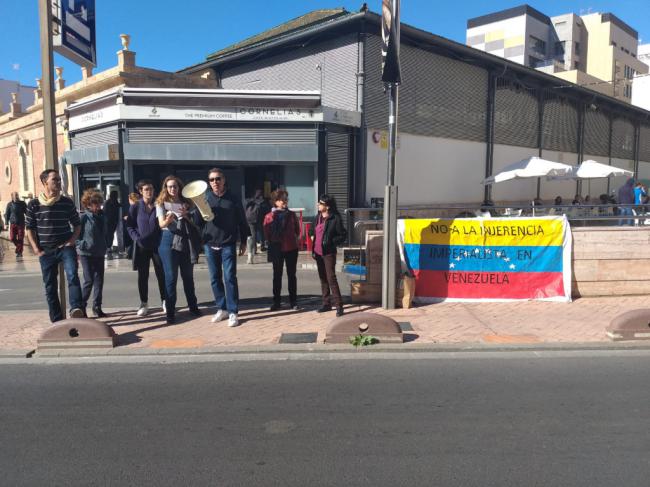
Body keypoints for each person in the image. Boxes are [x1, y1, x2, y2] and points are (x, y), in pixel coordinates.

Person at [25, 169, 84, 322]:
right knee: (50, 286)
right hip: (46, 250)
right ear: (45, 183)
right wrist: (37, 250)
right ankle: (56, 320)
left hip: (65, 247)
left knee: (72, 275)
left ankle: (76, 308)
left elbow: (77, 225)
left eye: (59, 179)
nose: (58, 182)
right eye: (55, 180)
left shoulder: (66, 202)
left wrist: (72, 241)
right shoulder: (34, 205)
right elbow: (29, 229)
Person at [201, 168, 250, 327]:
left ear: (224, 180)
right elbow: (198, 222)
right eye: (212, 180)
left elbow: (242, 220)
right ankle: (221, 308)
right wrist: (191, 213)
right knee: (215, 279)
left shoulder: (233, 198)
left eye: (218, 179)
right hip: (210, 244)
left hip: (228, 243)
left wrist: (243, 241)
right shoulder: (205, 198)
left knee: (229, 278)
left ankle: (233, 311)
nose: (215, 182)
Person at [156, 175, 201, 324]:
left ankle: (193, 307)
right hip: (168, 239)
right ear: (166, 188)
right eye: (170, 187)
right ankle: (170, 312)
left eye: (175, 186)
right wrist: (168, 219)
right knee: (171, 277)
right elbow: (161, 224)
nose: (173, 189)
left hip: (185, 238)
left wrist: (186, 215)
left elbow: (196, 223)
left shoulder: (187, 202)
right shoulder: (161, 203)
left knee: (188, 275)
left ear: (179, 187)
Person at [126, 180, 166, 318]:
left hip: (157, 245)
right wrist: (136, 238)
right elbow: (129, 225)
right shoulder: (136, 207)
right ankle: (144, 303)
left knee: (162, 274)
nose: (149, 191)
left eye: (151, 189)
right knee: (143, 276)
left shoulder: (159, 205)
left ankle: (165, 301)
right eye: (146, 189)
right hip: (142, 246)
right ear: (141, 192)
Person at [263, 189, 301, 311]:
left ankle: (293, 301)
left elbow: (297, 230)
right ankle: (277, 301)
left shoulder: (291, 215)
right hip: (277, 248)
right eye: (282, 199)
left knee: (292, 275)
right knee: (277, 275)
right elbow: (266, 233)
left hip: (291, 248)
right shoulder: (269, 216)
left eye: (286, 199)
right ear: (275, 202)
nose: (285, 201)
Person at [310, 194, 347, 317]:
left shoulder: (334, 218)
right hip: (318, 251)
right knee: (323, 278)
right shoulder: (318, 217)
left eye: (320, 203)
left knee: (331, 278)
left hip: (329, 252)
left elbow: (343, 235)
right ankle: (326, 303)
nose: (318, 205)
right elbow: (312, 230)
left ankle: (339, 305)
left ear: (328, 206)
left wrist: (331, 242)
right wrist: (312, 238)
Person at [76, 189, 108, 318]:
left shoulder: (102, 217)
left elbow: (105, 233)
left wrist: (107, 243)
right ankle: (80, 307)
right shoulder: (83, 217)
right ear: (88, 204)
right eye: (94, 203)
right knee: (88, 280)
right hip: (86, 253)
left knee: (99, 281)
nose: (97, 206)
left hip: (99, 251)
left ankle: (97, 306)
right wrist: (82, 244)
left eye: (99, 203)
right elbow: (76, 234)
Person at [245, 189, 270, 264]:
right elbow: (267, 210)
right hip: (259, 219)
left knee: (253, 234)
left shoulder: (250, 200)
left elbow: (245, 208)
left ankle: (254, 250)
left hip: (250, 219)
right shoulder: (262, 201)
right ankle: (262, 246)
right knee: (261, 232)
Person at [4, 192, 27, 259]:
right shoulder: (9, 204)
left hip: (21, 223)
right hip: (13, 223)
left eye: (17, 195)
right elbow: (7, 214)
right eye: (15, 196)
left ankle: (19, 252)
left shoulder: (22, 203)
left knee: (20, 238)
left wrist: (29, 220)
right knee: (12, 238)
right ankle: (18, 247)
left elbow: (27, 212)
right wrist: (6, 223)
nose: (16, 197)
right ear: (12, 197)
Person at [103, 190, 120, 259]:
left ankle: (108, 247)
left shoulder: (114, 202)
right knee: (109, 235)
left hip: (113, 222)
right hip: (109, 222)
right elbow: (105, 212)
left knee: (110, 234)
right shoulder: (108, 203)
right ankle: (108, 247)